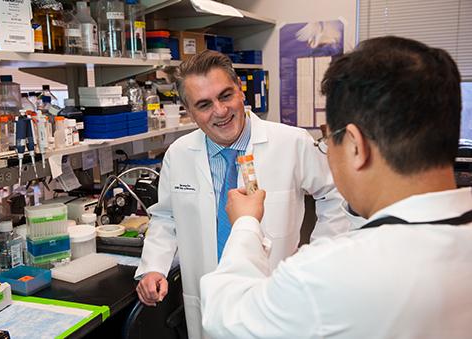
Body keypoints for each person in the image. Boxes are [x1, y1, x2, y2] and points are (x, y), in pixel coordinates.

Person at [200, 36, 472, 339]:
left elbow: (224, 317)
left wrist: (246, 225)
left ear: (355, 145)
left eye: (328, 139)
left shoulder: (327, 273)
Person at [135, 50, 349, 338]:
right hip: (206, 296)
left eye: (225, 95)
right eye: (204, 104)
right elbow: (165, 217)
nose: (221, 111)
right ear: (188, 109)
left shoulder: (291, 142)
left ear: (239, 87)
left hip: (275, 292)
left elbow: (335, 193)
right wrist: (153, 268)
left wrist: (319, 255)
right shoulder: (180, 154)